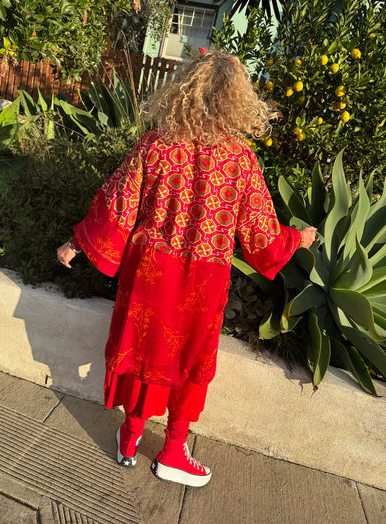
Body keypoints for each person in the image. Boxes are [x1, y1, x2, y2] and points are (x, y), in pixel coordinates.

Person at [57, 49, 316, 488]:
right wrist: (299, 238)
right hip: (202, 282)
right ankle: (173, 451)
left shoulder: (156, 144)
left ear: (185, 90)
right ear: (236, 99)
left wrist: (76, 243)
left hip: (149, 278)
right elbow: (261, 237)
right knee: (190, 362)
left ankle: (129, 437)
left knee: (143, 355)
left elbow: (118, 204)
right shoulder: (240, 161)